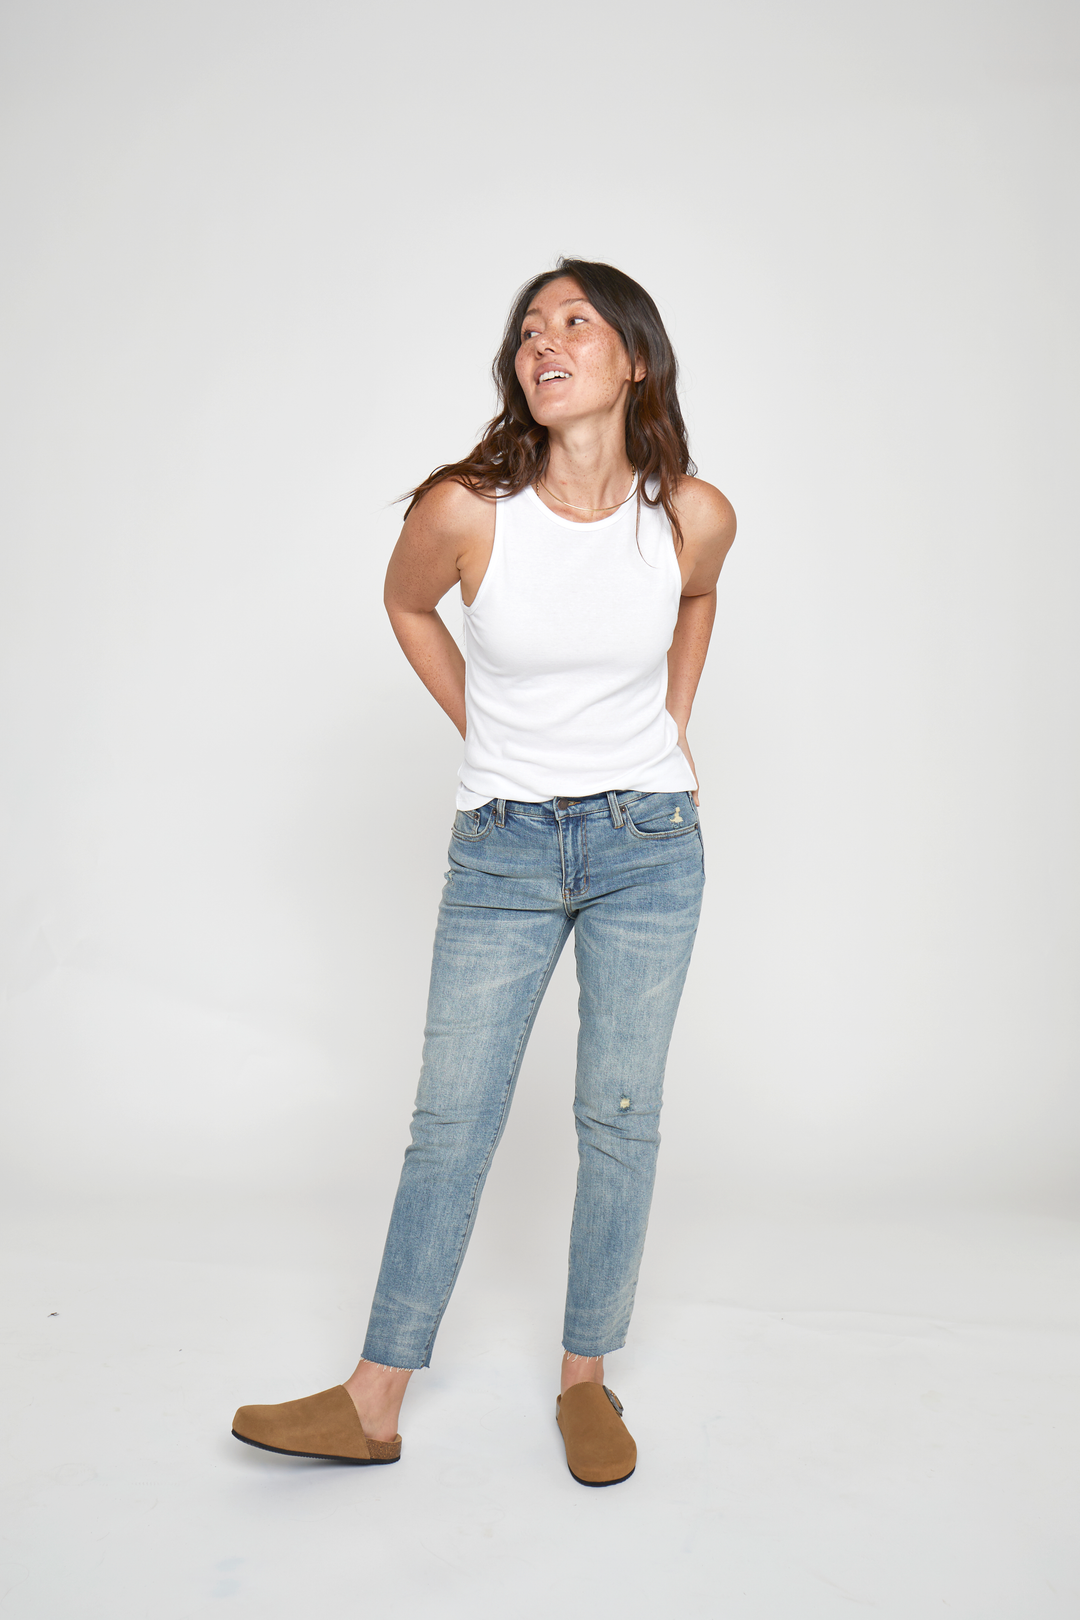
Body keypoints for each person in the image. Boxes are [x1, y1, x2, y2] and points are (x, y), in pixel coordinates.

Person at [232, 258, 736, 1486]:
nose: (541, 342)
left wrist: (673, 728)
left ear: (634, 358)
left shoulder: (691, 514)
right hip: (503, 845)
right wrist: (485, 731)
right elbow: (407, 606)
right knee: (450, 1122)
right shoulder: (468, 509)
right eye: (526, 330)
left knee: (618, 1117)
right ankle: (373, 1400)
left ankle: (586, 1382)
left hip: (648, 848)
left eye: (574, 322)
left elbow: (699, 599)